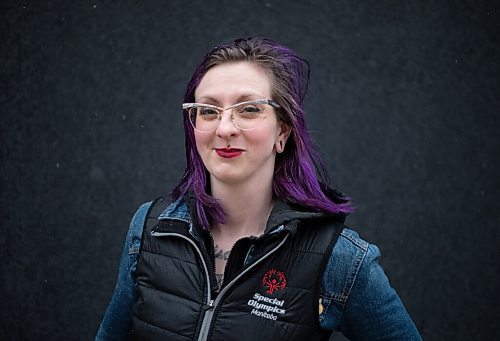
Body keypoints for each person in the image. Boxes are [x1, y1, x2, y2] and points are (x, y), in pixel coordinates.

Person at [96, 37, 421, 340]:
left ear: (283, 132)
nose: (224, 128)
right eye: (208, 111)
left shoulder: (339, 258)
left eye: (249, 109)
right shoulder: (150, 228)